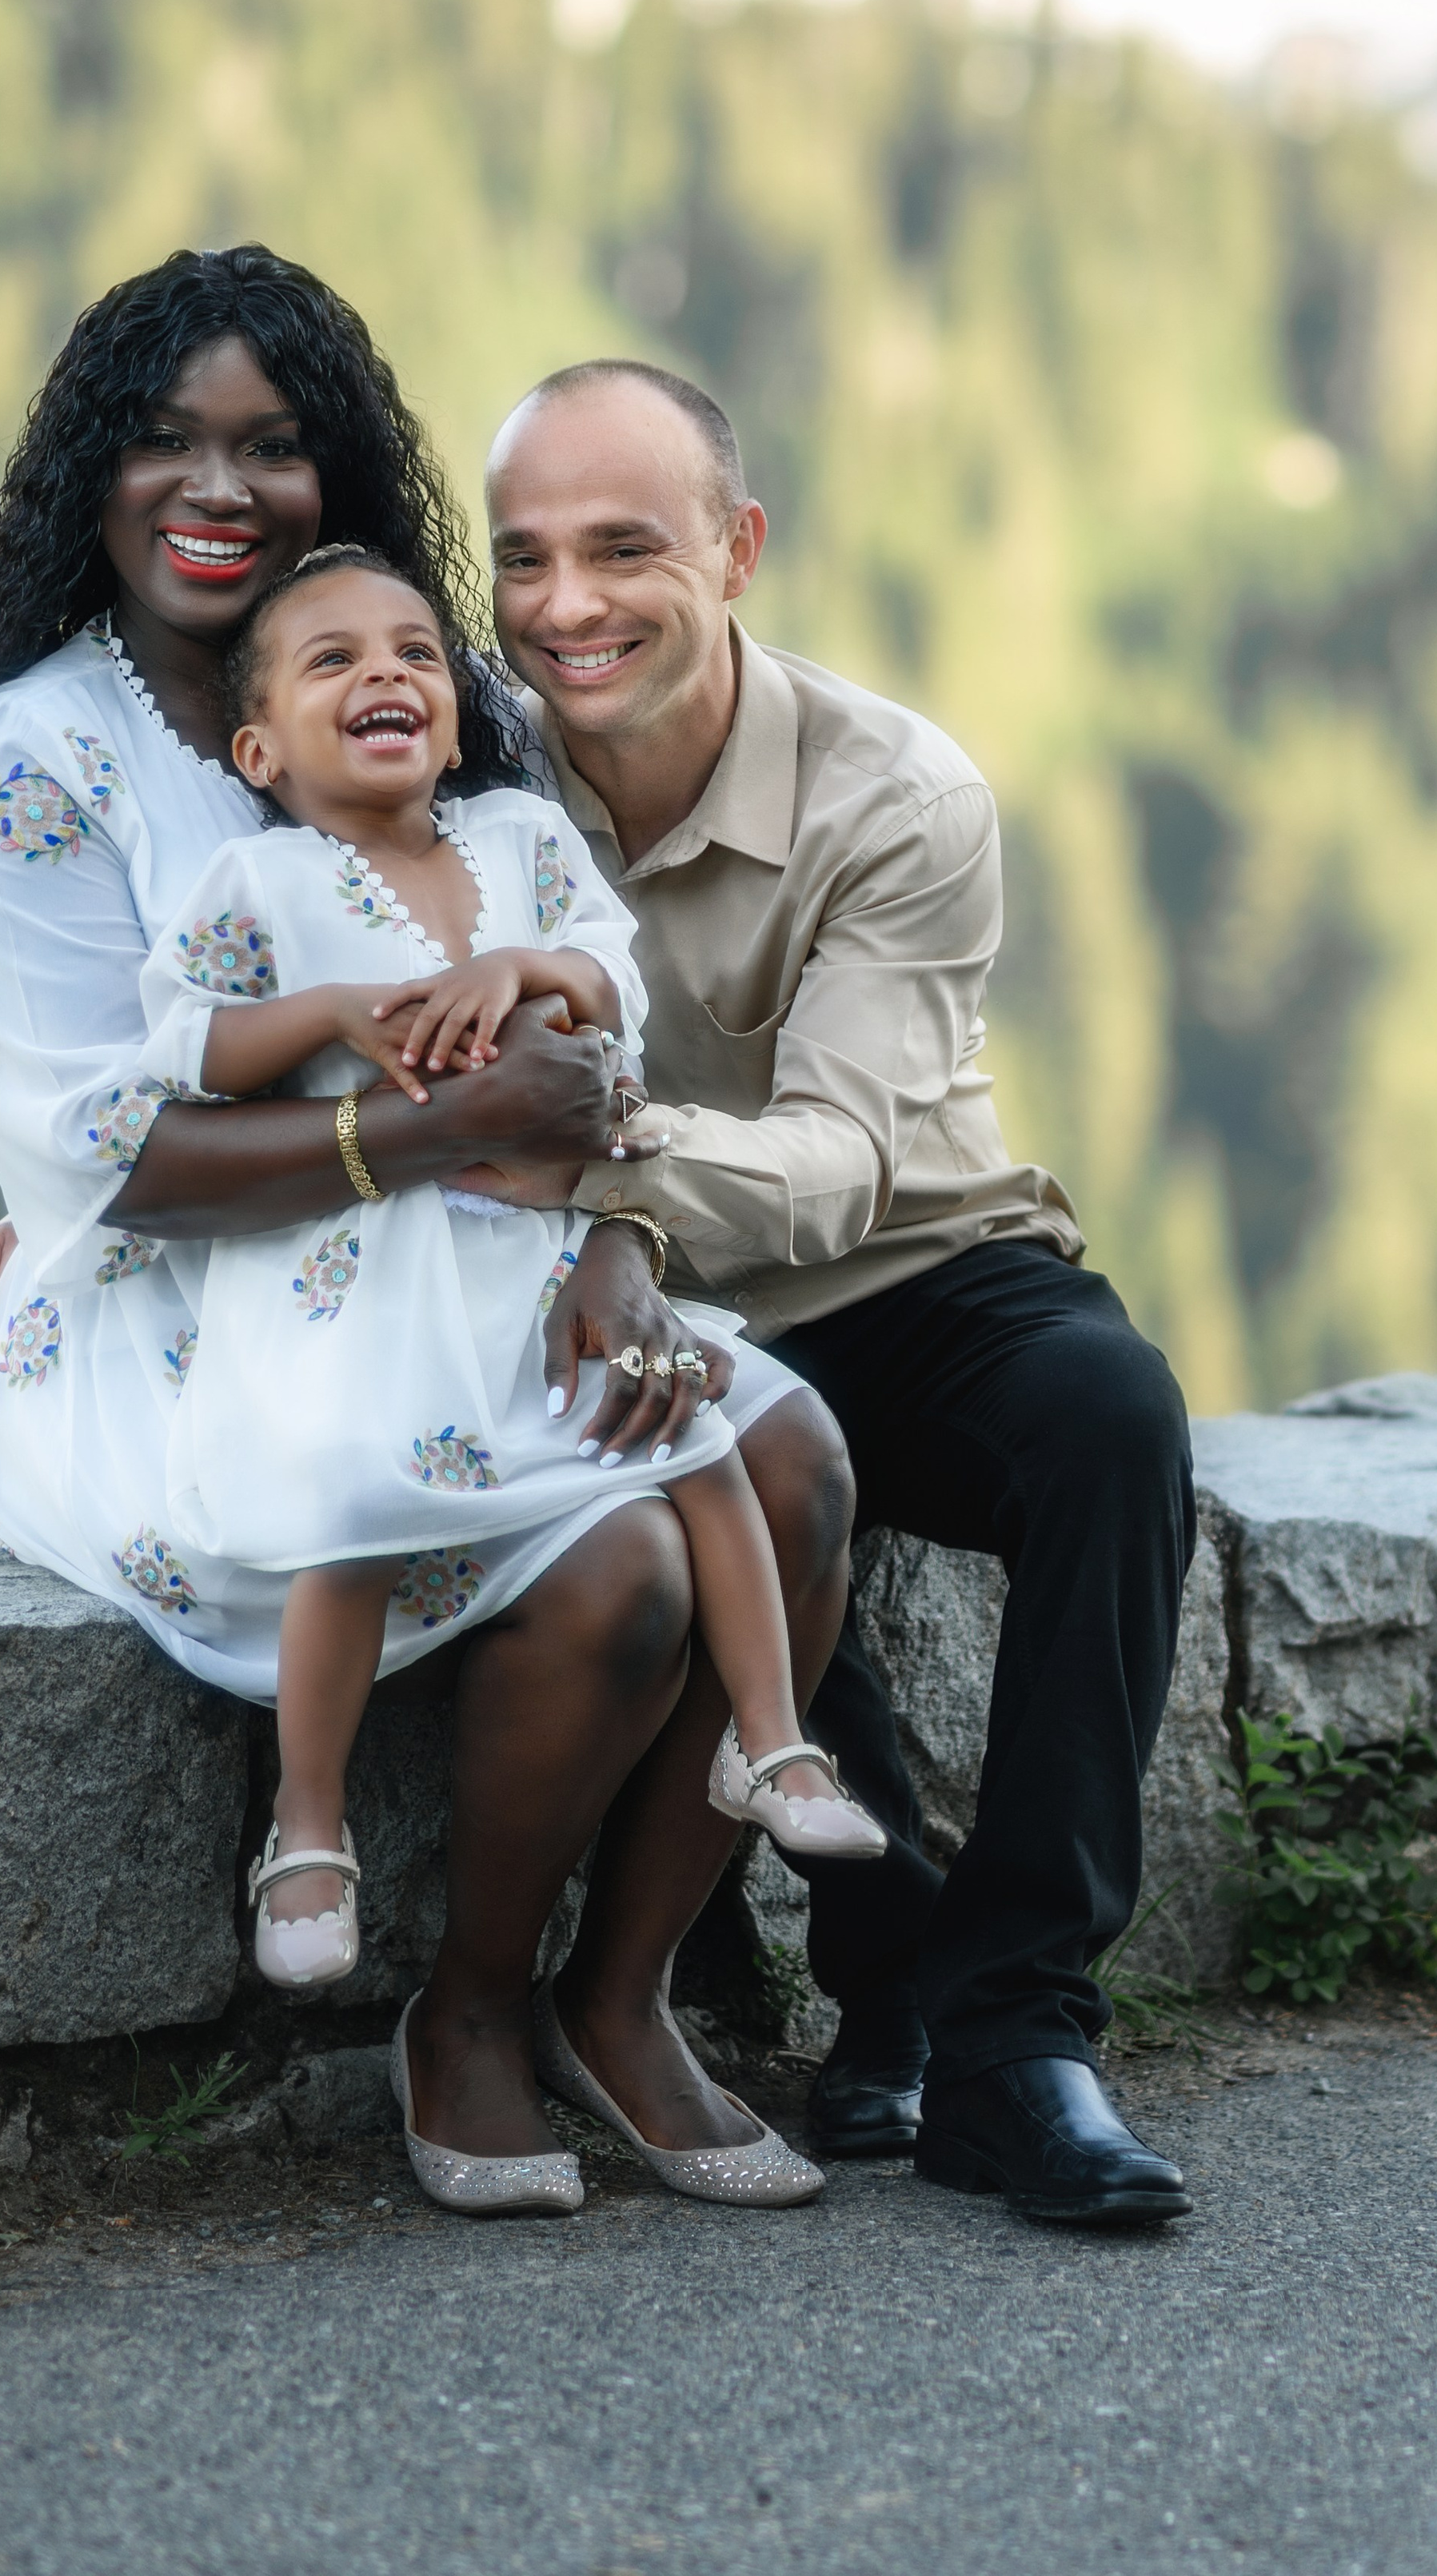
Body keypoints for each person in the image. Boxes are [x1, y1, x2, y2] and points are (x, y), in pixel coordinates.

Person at [0, 322, 1194, 2227]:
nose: (565, 607)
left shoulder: (860, 789)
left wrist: (605, 1205)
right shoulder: (447, 737)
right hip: (472, 1267)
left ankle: (1012, 2025)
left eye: (623, 550)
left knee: (1078, 1424)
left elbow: (835, 1155)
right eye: (522, 560)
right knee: (702, 1481)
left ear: (736, 550)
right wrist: (87, 1202)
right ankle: (847, 1987)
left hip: (866, 1247)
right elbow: (165, 1074)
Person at [0, 247, 858, 2218]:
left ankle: (620, 1992)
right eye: (161, 439)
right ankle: (468, 2010)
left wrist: (608, 1232)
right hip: (184, 1315)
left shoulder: (438, 692)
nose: (215, 485)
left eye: (270, 443)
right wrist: (437, 1127)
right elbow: (98, 1157)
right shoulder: (32, 759)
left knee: (793, 1460)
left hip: (497, 1248)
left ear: (334, 469)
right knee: (612, 1564)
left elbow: (570, 1015)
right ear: (88, 469)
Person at [135, 545, 887, 1995]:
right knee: (355, 1497)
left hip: (521, 1247)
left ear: (455, 711)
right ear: (259, 748)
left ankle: (772, 1742)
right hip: (360, 1266)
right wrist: (332, 1012)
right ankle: (308, 1822)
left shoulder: (519, 840)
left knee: (700, 1439)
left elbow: (612, 979)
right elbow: (187, 1044)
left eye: (415, 652)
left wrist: (519, 970)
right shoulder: (260, 879)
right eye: (334, 660)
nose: (386, 674)